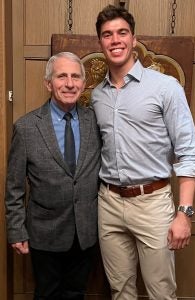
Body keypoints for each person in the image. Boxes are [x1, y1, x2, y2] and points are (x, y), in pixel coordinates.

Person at [91, 5, 195, 300]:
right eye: (107, 34)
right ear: (100, 42)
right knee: (120, 291)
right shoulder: (97, 95)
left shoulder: (165, 87)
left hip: (152, 204)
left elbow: (188, 154)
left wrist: (185, 213)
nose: (115, 40)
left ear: (133, 38)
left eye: (121, 33)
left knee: (161, 293)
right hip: (109, 204)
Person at [5, 52, 101, 300]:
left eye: (75, 76)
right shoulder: (26, 128)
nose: (69, 83)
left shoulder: (96, 122)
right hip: (44, 234)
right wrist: (16, 230)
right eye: (62, 76)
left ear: (83, 82)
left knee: (77, 293)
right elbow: (14, 187)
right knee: (46, 294)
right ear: (49, 83)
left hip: (86, 233)